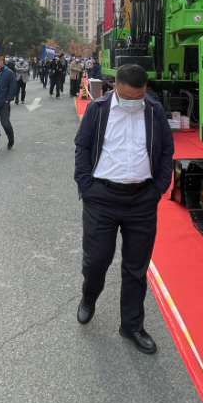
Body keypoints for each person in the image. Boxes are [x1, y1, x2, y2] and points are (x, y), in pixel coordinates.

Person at [74, 64, 174, 353]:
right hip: (102, 199)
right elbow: (82, 147)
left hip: (142, 200)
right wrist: (86, 187)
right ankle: (89, 297)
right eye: (128, 97)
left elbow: (167, 150)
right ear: (115, 87)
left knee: (136, 268)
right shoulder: (98, 110)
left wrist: (158, 188)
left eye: (139, 97)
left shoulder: (153, 110)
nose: (134, 102)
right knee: (96, 260)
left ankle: (131, 325)